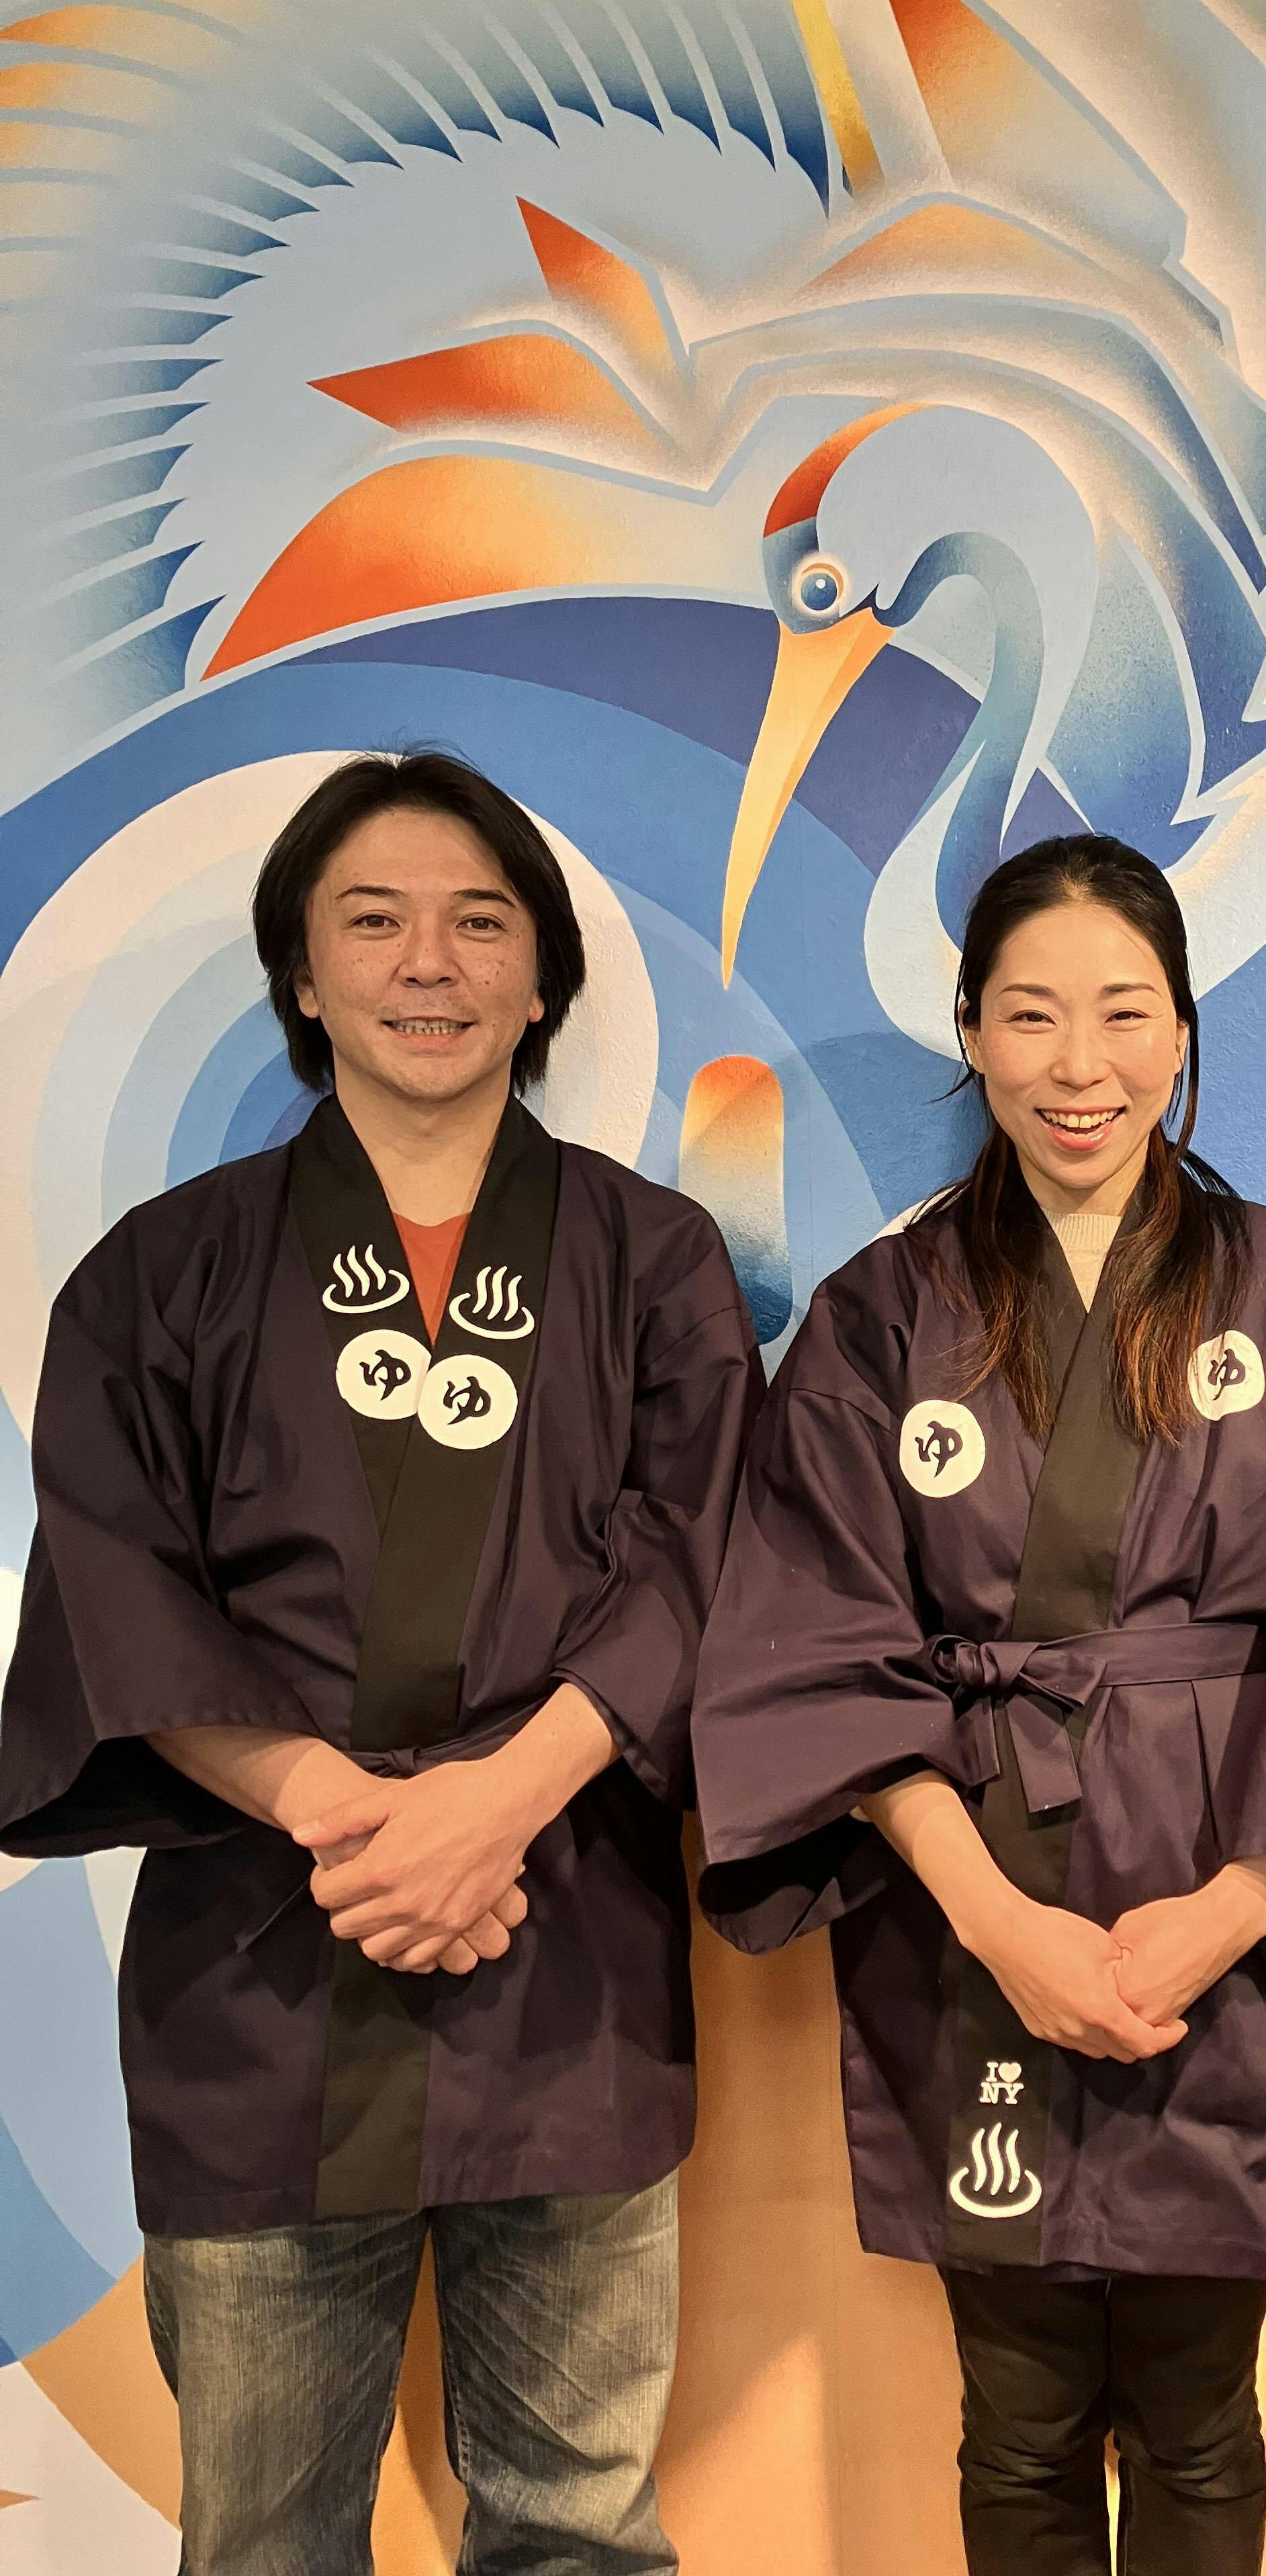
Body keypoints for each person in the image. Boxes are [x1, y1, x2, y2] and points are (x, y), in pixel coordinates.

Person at [691, 832, 1266, 2576]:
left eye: (1122, 1013)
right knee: (1013, 2422)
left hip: (1218, 1905)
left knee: (1200, 2413)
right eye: (1030, 1015)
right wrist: (1000, 1925)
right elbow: (818, 1627)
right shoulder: (883, 1316)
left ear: (1179, 1033)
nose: (1077, 1064)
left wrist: (1235, 1906)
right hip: (974, 1909)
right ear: (972, 1034)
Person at [0, 751, 762, 2576]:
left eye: (480, 922)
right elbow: (118, 1582)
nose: (430, 963)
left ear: (544, 977)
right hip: (272, 1955)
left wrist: (494, 1808)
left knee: (578, 2529)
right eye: (374, 921)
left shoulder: (655, 1264)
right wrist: (359, 1820)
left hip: (559, 1945)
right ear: (302, 972)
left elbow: (702, 1555)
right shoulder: (160, 1275)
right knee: (263, 2540)